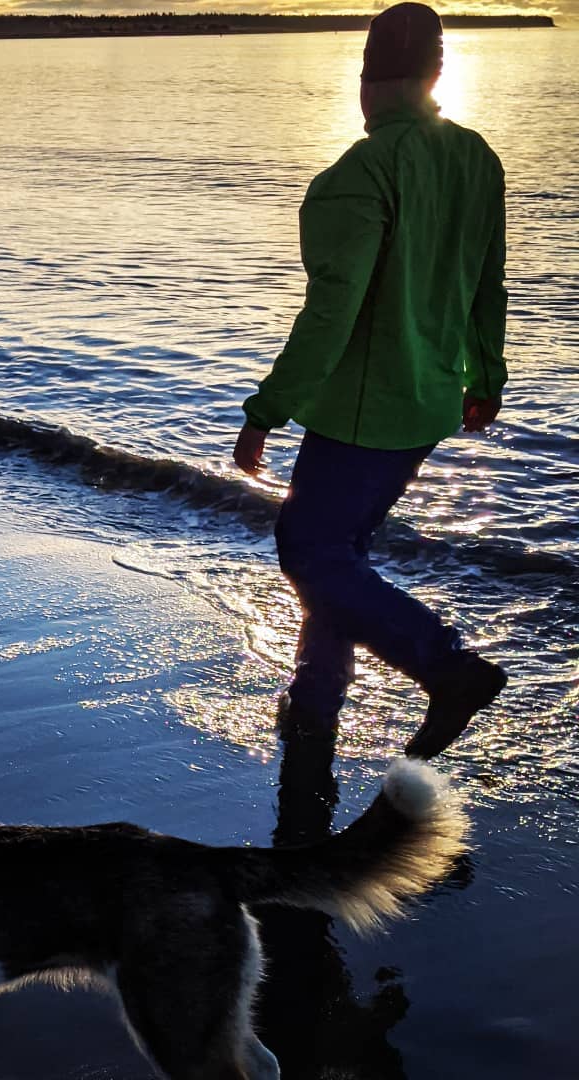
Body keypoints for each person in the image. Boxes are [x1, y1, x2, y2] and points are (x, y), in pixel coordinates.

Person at [233, 2, 507, 758]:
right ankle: (316, 702)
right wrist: (489, 374)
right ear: (436, 73)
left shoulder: (356, 175)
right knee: (340, 552)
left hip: (363, 411)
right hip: (429, 401)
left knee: (309, 549)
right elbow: (491, 283)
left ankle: (447, 668)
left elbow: (332, 314)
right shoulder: (477, 157)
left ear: (363, 79)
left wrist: (267, 410)